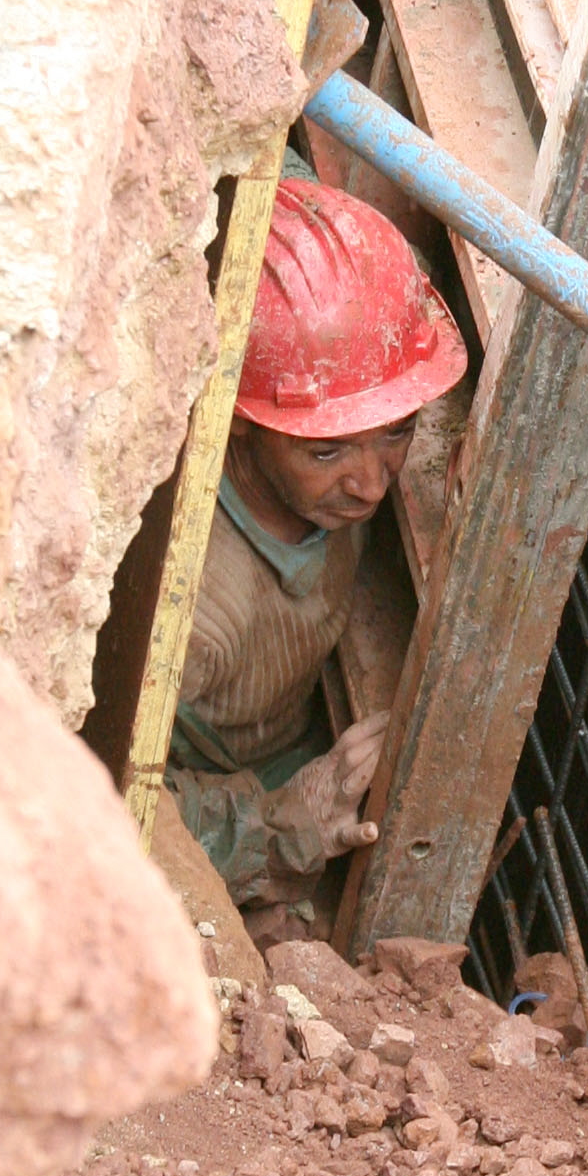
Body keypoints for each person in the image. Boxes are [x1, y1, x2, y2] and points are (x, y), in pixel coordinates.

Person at [166, 176, 467, 911]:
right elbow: (110, 801)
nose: (372, 485)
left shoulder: (311, 314)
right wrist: (278, 828)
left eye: (397, 429)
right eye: (327, 451)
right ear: (238, 418)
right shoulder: (197, 608)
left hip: (292, 740)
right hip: (227, 798)